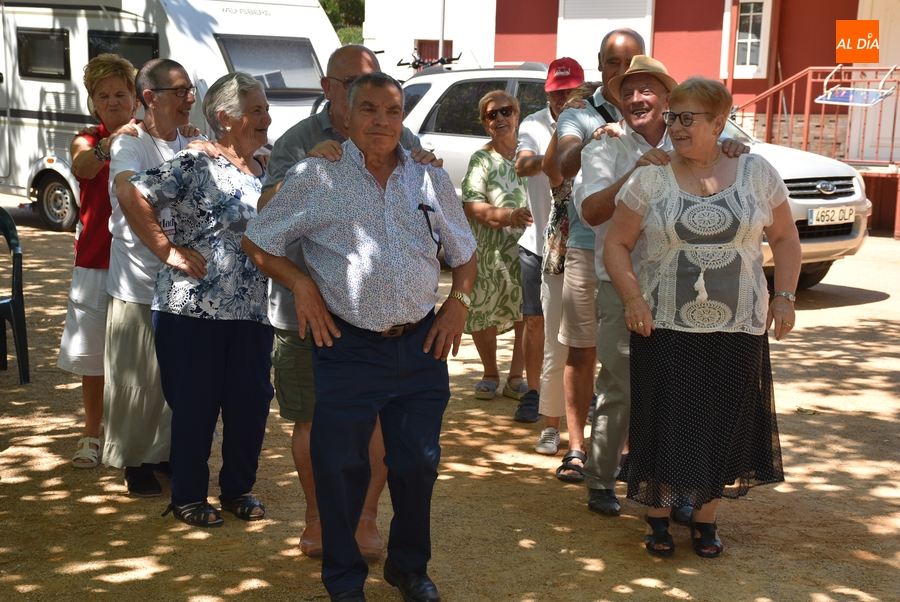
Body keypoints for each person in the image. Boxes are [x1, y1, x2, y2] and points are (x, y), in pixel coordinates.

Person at [243, 72, 476, 602]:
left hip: (420, 344)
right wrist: (301, 283)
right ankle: (344, 577)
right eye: (369, 109)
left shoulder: (427, 178)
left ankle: (408, 568)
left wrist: (458, 304)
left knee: (417, 463)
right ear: (345, 116)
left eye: (393, 111)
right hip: (346, 346)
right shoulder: (315, 177)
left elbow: (465, 253)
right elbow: (258, 241)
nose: (381, 121)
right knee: (341, 464)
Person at [604, 77, 801, 558]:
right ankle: (658, 515)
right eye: (673, 116)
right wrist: (632, 297)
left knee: (722, 421)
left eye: (687, 118)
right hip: (663, 322)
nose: (675, 127)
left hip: (738, 326)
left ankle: (707, 518)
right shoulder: (651, 174)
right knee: (665, 419)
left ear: (720, 122)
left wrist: (785, 297)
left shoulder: (755, 171)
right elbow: (616, 244)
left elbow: (786, 240)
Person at [257, 44, 437, 559]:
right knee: (313, 421)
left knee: (379, 425)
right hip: (304, 312)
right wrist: (302, 175)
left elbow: (424, 202)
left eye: (378, 85)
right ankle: (318, 519)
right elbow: (264, 221)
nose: (371, 99)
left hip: (378, 323)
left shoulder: (400, 134)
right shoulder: (298, 142)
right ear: (330, 88)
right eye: (354, 84)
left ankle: (364, 518)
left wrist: (422, 161)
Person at [579, 56, 748, 518]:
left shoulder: (706, 137)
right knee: (621, 386)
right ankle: (600, 478)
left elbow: (738, 164)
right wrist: (637, 170)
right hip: (622, 282)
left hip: (686, 288)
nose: (636, 98)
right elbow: (592, 213)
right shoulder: (604, 145)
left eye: (647, 89)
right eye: (627, 91)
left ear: (668, 100)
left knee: (682, 391)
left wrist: (730, 150)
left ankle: (672, 487)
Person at [116, 71, 273, 526]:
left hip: (251, 310)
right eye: (257, 109)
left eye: (265, 107)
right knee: (196, 405)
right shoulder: (197, 161)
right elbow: (132, 192)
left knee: (250, 403)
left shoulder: (265, 166)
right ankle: (188, 495)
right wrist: (167, 250)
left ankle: (238, 489)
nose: (267, 116)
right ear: (227, 117)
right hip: (191, 309)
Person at [545, 29, 645, 483]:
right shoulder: (581, 114)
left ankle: (622, 449)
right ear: (601, 65)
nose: (621, 72)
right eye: (612, 63)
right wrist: (594, 141)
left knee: (629, 358)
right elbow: (563, 166)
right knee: (583, 352)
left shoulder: (658, 108)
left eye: (630, 62)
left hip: (648, 254)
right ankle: (578, 449)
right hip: (589, 247)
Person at [104, 58, 202, 495]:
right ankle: (134, 462)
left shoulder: (193, 140)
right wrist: (168, 251)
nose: (189, 99)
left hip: (186, 289)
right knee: (137, 379)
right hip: (139, 284)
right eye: (180, 91)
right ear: (150, 98)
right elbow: (129, 193)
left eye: (190, 90)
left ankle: (167, 454)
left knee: (178, 381)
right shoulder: (130, 144)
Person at [58, 54, 139, 469]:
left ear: (136, 98)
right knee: (94, 357)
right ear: (92, 101)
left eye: (120, 94)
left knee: (141, 355)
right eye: (103, 95)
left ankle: (132, 434)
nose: (112, 101)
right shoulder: (88, 139)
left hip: (142, 265)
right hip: (95, 262)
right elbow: (82, 167)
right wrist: (114, 141)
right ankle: (92, 432)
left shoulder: (150, 138)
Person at [513, 58, 584, 449]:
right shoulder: (534, 124)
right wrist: (560, 140)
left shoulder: (593, 117)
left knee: (587, 340)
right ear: (547, 92)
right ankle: (539, 403)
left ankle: (582, 416)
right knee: (540, 329)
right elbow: (527, 166)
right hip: (543, 245)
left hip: (588, 248)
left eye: (570, 90)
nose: (563, 98)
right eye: (557, 92)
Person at [462, 90, 532, 402]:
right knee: (482, 309)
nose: (500, 118)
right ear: (485, 123)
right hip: (489, 250)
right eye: (492, 115)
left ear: (517, 116)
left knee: (524, 313)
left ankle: (516, 375)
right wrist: (507, 216)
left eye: (506, 112)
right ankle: (490, 372)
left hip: (528, 248)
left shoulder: (530, 156)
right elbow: (471, 206)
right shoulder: (482, 158)